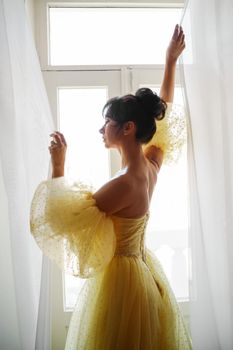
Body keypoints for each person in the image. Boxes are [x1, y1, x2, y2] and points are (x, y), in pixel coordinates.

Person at [30, 24, 192, 349]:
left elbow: (63, 220)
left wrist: (58, 163)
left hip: (122, 284)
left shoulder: (124, 184)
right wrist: (170, 62)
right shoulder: (150, 166)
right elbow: (161, 120)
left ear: (128, 128)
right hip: (143, 272)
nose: (101, 129)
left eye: (108, 122)